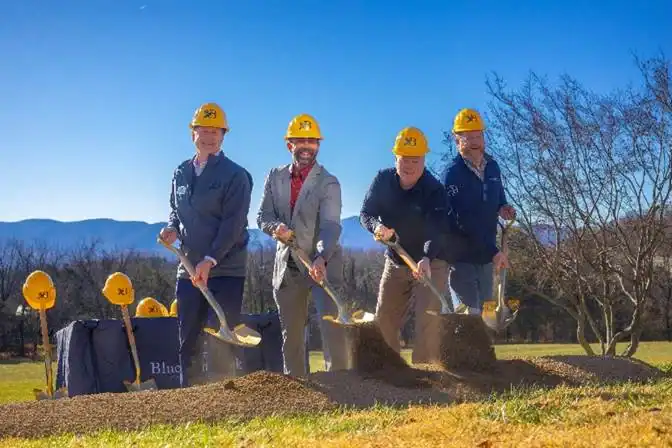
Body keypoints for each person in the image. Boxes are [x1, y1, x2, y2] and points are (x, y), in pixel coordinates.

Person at [158, 102, 253, 387]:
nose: (209, 137)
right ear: (193, 134)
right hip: (189, 270)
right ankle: (190, 398)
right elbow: (176, 211)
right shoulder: (180, 173)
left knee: (220, 339)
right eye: (204, 130)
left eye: (216, 131)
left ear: (223, 136)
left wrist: (210, 259)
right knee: (188, 339)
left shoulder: (236, 175)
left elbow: (233, 224)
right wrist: (172, 229)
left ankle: (223, 403)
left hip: (225, 270)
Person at [256, 113, 351, 377]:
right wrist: (275, 228)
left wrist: (321, 257)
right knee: (292, 334)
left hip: (323, 263)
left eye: (312, 141)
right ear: (290, 145)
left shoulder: (328, 182)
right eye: (300, 141)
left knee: (332, 328)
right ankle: (298, 389)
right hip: (288, 266)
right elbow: (262, 216)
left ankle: (341, 385)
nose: (306, 146)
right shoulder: (274, 178)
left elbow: (331, 225)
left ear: (318, 145)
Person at [359, 126, 462, 363]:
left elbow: (436, 229)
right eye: (404, 158)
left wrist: (426, 257)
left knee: (428, 319)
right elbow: (366, 213)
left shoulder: (434, 190)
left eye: (415, 160)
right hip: (396, 258)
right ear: (395, 157)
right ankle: (390, 369)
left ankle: (425, 375)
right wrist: (377, 227)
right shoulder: (382, 180)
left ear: (424, 160)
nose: (409, 165)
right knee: (384, 317)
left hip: (431, 261)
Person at [441, 108, 516, 315]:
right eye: (468, 137)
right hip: (461, 257)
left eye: (478, 136)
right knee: (469, 316)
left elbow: (498, 197)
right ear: (457, 141)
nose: (475, 141)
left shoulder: (493, 167)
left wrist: (503, 208)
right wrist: (494, 252)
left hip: (486, 256)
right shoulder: (451, 174)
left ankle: (484, 347)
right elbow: (462, 221)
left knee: (487, 313)